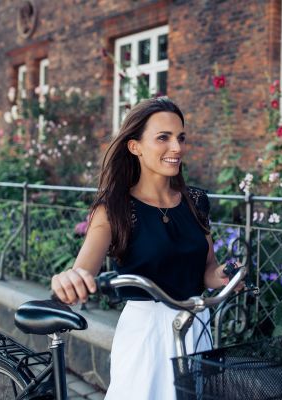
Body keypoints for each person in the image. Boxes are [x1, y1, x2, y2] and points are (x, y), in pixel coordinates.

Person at [50, 97, 234, 399]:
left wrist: (227, 274)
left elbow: (207, 272)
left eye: (181, 137)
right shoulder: (114, 208)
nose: (177, 147)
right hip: (146, 334)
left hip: (195, 326)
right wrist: (69, 280)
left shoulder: (196, 201)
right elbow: (83, 269)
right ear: (134, 146)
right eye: (163, 137)